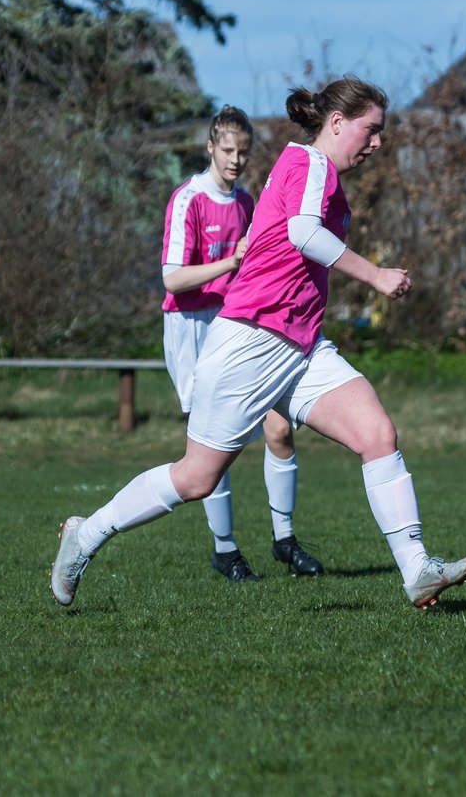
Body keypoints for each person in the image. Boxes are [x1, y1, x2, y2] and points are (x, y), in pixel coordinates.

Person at [52, 76, 466, 610]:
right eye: (371, 131)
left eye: (382, 133)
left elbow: (272, 237)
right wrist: (374, 275)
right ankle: (85, 535)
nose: (377, 143)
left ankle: (417, 570)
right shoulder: (308, 164)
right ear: (337, 122)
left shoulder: (314, 174)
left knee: (377, 433)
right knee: (196, 479)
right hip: (251, 343)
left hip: (300, 346)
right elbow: (303, 233)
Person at [160, 105, 322, 582]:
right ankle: (226, 550)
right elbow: (172, 279)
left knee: (279, 428)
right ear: (210, 147)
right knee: (214, 447)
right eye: (227, 150)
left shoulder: (249, 201)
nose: (235, 160)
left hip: (239, 322)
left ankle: (285, 540)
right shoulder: (188, 199)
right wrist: (229, 265)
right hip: (192, 325)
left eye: (243, 152)